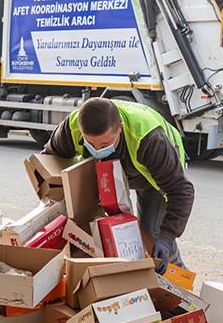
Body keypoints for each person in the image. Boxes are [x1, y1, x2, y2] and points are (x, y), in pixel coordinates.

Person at [43, 97, 194, 274]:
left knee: (152, 232)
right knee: (94, 227)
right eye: (89, 143)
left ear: (119, 128)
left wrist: (167, 238)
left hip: (151, 176)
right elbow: (48, 163)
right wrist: (52, 208)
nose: (97, 149)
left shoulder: (150, 140)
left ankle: (180, 280)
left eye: (105, 144)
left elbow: (182, 191)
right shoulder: (72, 126)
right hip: (105, 172)